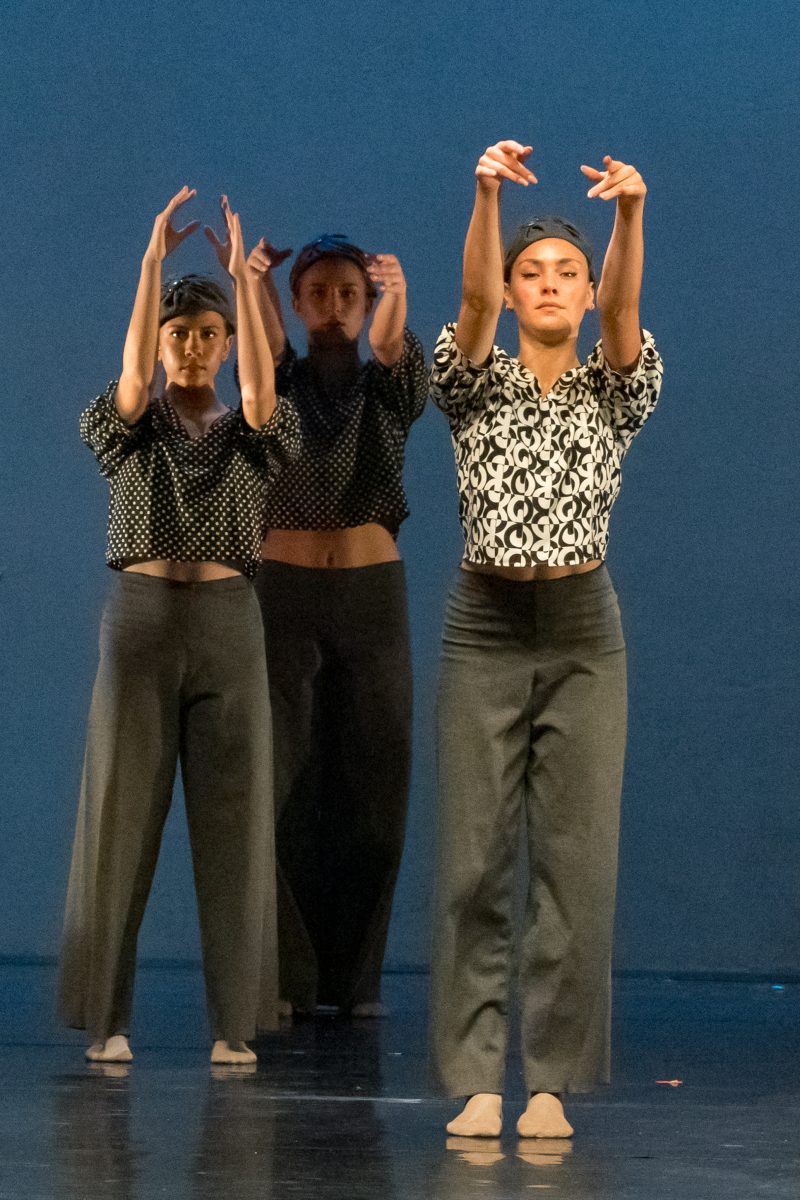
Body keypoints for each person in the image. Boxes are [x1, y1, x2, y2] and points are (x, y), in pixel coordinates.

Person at [429, 140, 664, 1137]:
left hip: (580, 631)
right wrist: (485, 194)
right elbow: (470, 303)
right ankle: (477, 1076)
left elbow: (622, 314)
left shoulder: (616, 383)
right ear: (512, 289)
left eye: (568, 270)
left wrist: (628, 216)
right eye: (533, 272)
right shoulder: (470, 376)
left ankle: (551, 1083)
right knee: (472, 860)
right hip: (483, 624)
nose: (552, 284)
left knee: (574, 861)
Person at [57, 188, 300, 1064]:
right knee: (120, 814)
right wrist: (151, 264)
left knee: (236, 824)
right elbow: (130, 382)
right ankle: (107, 1019)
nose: (192, 346)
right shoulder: (131, 427)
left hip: (230, 621)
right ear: (160, 341)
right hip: (144, 620)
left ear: (227, 342)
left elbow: (264, 398)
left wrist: (242, 285)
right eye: (179, 334)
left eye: (207, 333)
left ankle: (234, 1023)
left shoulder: (249, 433)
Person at [205, 226, 427, 1015]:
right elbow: (261, 346)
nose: (335, 306)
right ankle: (292, 977)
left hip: (371, 596)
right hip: (285, 594)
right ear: (298, 304)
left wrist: (397, 295)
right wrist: (252, 281)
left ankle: (356, 980)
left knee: (376, 787)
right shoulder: (280, 382)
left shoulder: (386, 388)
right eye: (319, 294)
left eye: (350, 295)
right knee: (280, 782)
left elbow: (394, 346)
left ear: (366, 303)